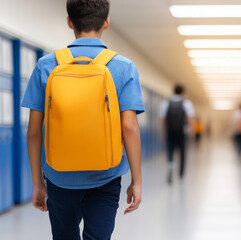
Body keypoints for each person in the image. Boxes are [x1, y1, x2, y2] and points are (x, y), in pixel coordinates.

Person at [21, 0, 144, 239]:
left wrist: (38, 182)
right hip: (106, 176)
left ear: (70, 22)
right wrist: (137, 180)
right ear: (106, 23)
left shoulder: (46, 65)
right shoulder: (124, 67)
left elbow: (34, 131)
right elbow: (129, 127)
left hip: (59, 177)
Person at [160, 84, 195, 184]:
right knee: (182, 152)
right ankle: (181, 174)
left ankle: (171, 165)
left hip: (170, 131)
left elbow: (163, 120)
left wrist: (162, 133)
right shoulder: (186, 103)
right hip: (182, 132)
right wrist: (192, 132)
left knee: (170, 150)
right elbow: (190, 119)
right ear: (182, 92)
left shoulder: (166, 103)